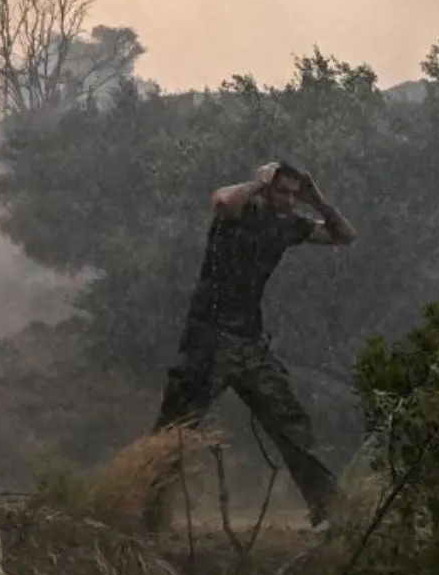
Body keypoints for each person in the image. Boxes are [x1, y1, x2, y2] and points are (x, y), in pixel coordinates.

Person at [145, 160, 357, 531]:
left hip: (248, 342)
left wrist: (318, 200)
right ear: (266, 188)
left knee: (290, 422)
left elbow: (344, 236)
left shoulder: (286, 226)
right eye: (283, 191)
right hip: (208, 339)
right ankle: (147, 514)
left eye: (294, 194)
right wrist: (258, 184)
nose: (290, 200)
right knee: (176, 430)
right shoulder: (237, 215)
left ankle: (328, 506)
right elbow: (222, 201)